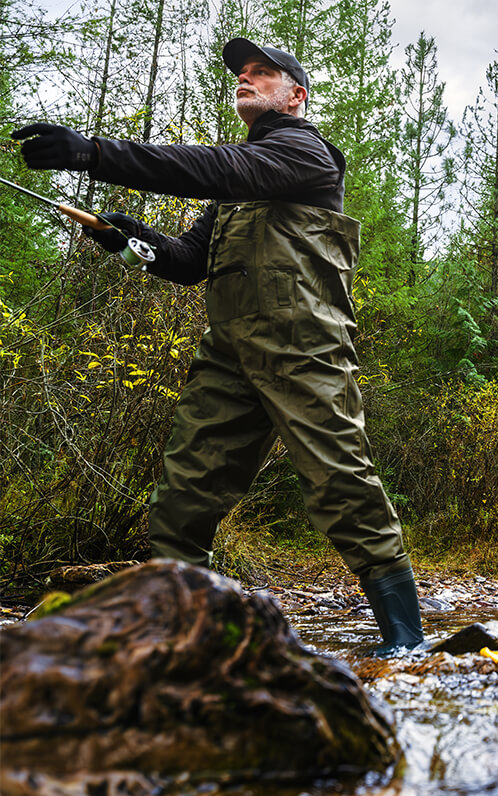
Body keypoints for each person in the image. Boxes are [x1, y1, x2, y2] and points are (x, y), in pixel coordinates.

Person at [13, 38, 423, 656]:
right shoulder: (240, 186)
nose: (246, 79)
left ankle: (406, 642)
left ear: (296, 96)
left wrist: (93, 153)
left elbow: (217, 168)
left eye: (263, 73)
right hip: (228, 355)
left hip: (304, 348)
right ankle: (187, 636)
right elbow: (186, 261)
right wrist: (129, 238)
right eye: (241, 73)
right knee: (182, 497)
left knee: (341, 483)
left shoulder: (305, 152)